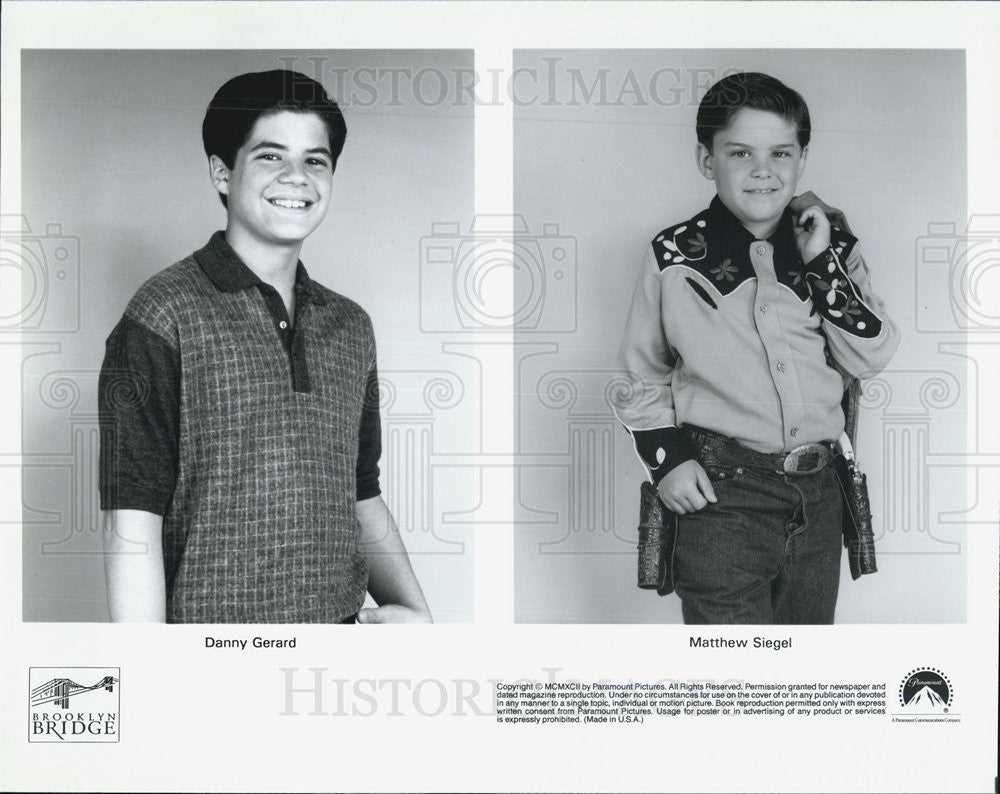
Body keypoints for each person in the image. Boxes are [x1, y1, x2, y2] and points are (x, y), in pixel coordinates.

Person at [99, 70, 431, 624]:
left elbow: (361, 490)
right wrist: (150, 676)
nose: (296, 177)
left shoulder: (350, 326)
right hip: (211, 661)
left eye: (316, 160)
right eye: (271, 157)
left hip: (337, 660)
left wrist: (416, 613)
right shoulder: (162, 313)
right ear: (223, 172)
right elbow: (130, 518)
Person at [613, 72, 899, 624]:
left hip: (820, 497)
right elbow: (639, 374)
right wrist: (666, 460)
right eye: (739, 152)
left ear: (802, 159)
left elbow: (871, 355)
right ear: (706, 160)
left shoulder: (833, 249)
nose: (762, 170)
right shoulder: (673, 257)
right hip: (723, 499)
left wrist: (820, 264)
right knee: (738, 683)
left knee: (801, 677)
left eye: (781, 153)